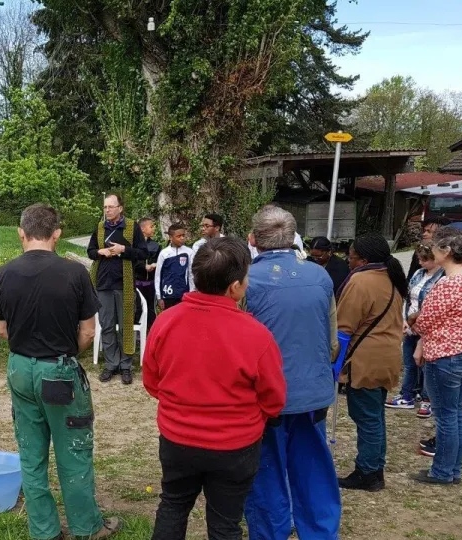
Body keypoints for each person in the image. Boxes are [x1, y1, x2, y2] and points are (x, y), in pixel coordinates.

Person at [0, 203, 121, 540]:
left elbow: (2, 330)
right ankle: (86, 527)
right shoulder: (75, 273)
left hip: (20, 369)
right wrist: (62, 353)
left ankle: (44, 531)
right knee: (73, 450)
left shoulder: (3, 273)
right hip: (59, 370)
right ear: (57, 234)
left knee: (31, 455)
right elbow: (88, 332)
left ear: (21, 233)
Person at [144, 236, 286, 540]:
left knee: (173, 505)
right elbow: (274, 398)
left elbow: (152, 382)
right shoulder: (257, 335)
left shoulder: (165, 322)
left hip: (177, 439)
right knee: (225, 523)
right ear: (235, 286)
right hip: (235, 447)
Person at [241, 206, 342, 539]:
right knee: (313, 466)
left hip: (265, 395)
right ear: (294, 237)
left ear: (253, 239)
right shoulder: (320, 276)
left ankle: (271, 531)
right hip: (312, 391)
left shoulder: (245, 281)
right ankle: (319, 531)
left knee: (266, 469)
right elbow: (332, 343)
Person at [336, 233, 407, 492]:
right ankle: (375, 468)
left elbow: (344, 326)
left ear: (363, 260)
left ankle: (367, 472)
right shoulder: (392, 277)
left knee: (366, 417)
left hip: (365, 359)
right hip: (386, 356)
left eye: (351, 256)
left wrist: (334, 361)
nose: (348, 261)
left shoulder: (361, 280)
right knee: (375, 416)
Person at [410, 227, 462, 485]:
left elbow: (425, 321)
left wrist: (414, 324)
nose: (432, 250)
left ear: (447, 251)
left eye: (436, 246)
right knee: (455, 413)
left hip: (445, 353)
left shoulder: (448, 283)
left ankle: (442, 471)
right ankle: (453, 469)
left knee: (446, 417)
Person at [87, 193, 147, 385]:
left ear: (120, 208)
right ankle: (111, 364)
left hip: (124, 284)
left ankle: (125, 365)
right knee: (107, 325)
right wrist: (100, 252)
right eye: (105, 207)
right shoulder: (100, 227)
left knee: (125, 325)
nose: (107, 210)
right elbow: (90, 252)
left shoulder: (131, 226)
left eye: (111, 207)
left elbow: (143, 253)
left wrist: (124, 250)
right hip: (103, 283)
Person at [385, 242, 443, 419]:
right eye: (419, 259)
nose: (420, 262)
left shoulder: (442, 278)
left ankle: (427, 398)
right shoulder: (418, 274)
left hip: (427, 326)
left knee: (426, 365)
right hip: (411, 323)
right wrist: (404, 319)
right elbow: (408, 297)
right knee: (409, 363)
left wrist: (421, 323)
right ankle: (407, 394)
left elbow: (435, 305)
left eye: (424, 259)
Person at [154, 224, 194, 311]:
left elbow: (191, 274)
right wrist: (159, 297)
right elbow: (158, 276)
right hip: (168, 294)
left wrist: (191, 293)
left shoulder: (189, 252)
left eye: (183, 235)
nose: (182, 238)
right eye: (179, 236)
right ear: (171, 237)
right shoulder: (164, 253)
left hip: (184, 294)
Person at [133, 217, 160, 330]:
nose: (154, 228)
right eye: (151, 226)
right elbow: (131, 263)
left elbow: (160, 261)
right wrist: (144, 267)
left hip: (150, 283)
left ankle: (151, 331)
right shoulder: (133, 245)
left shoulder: (156, 245)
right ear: (142, 229)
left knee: (151, 307)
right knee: (137, 307)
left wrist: (155, 265)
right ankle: (136, 332)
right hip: (136, 282)